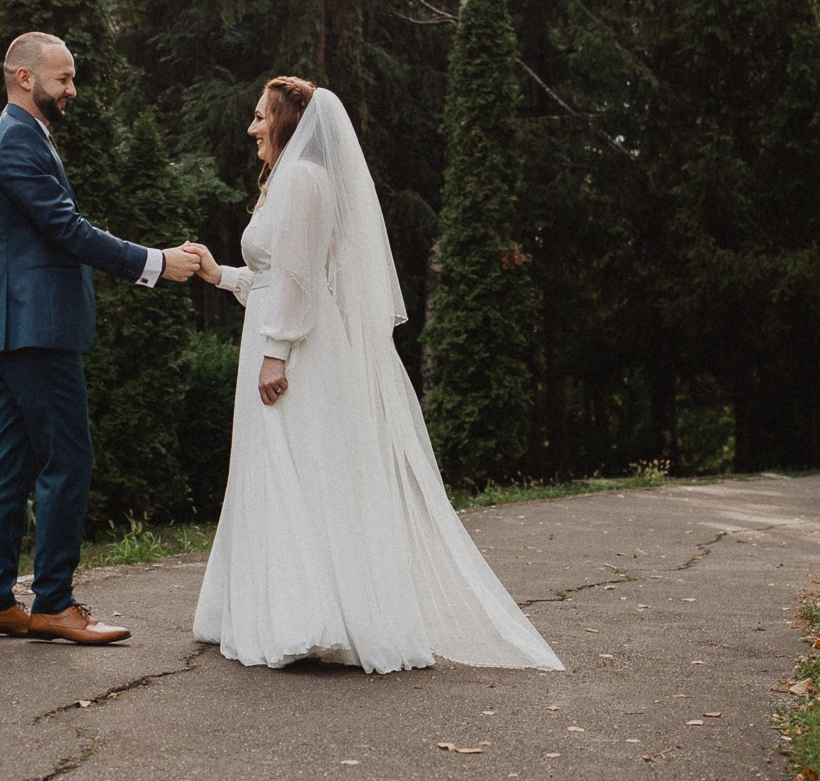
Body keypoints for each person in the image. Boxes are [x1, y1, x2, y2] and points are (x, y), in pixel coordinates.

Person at [184, 77, 564, 673]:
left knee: (298, 468)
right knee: (281, 467)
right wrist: (219, 274)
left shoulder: (304, 179)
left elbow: (301, 278)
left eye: (261, 116)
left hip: (297, 348)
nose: (252, 127)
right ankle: (283, 608)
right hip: (281, 332)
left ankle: (311, 618)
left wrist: (276, 351)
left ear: (287, 121)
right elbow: (275, 276)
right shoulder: (290, 180)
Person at [0, 31, 201, 645]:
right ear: (24, 77)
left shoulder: (19, 136)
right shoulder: (17, 141)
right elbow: (67, 230)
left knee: (12, 465)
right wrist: (155, 262)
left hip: (20, 327)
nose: (72, 89)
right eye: (63, 78)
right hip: (35, 327)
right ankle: (53, 604)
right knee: (68, 460)